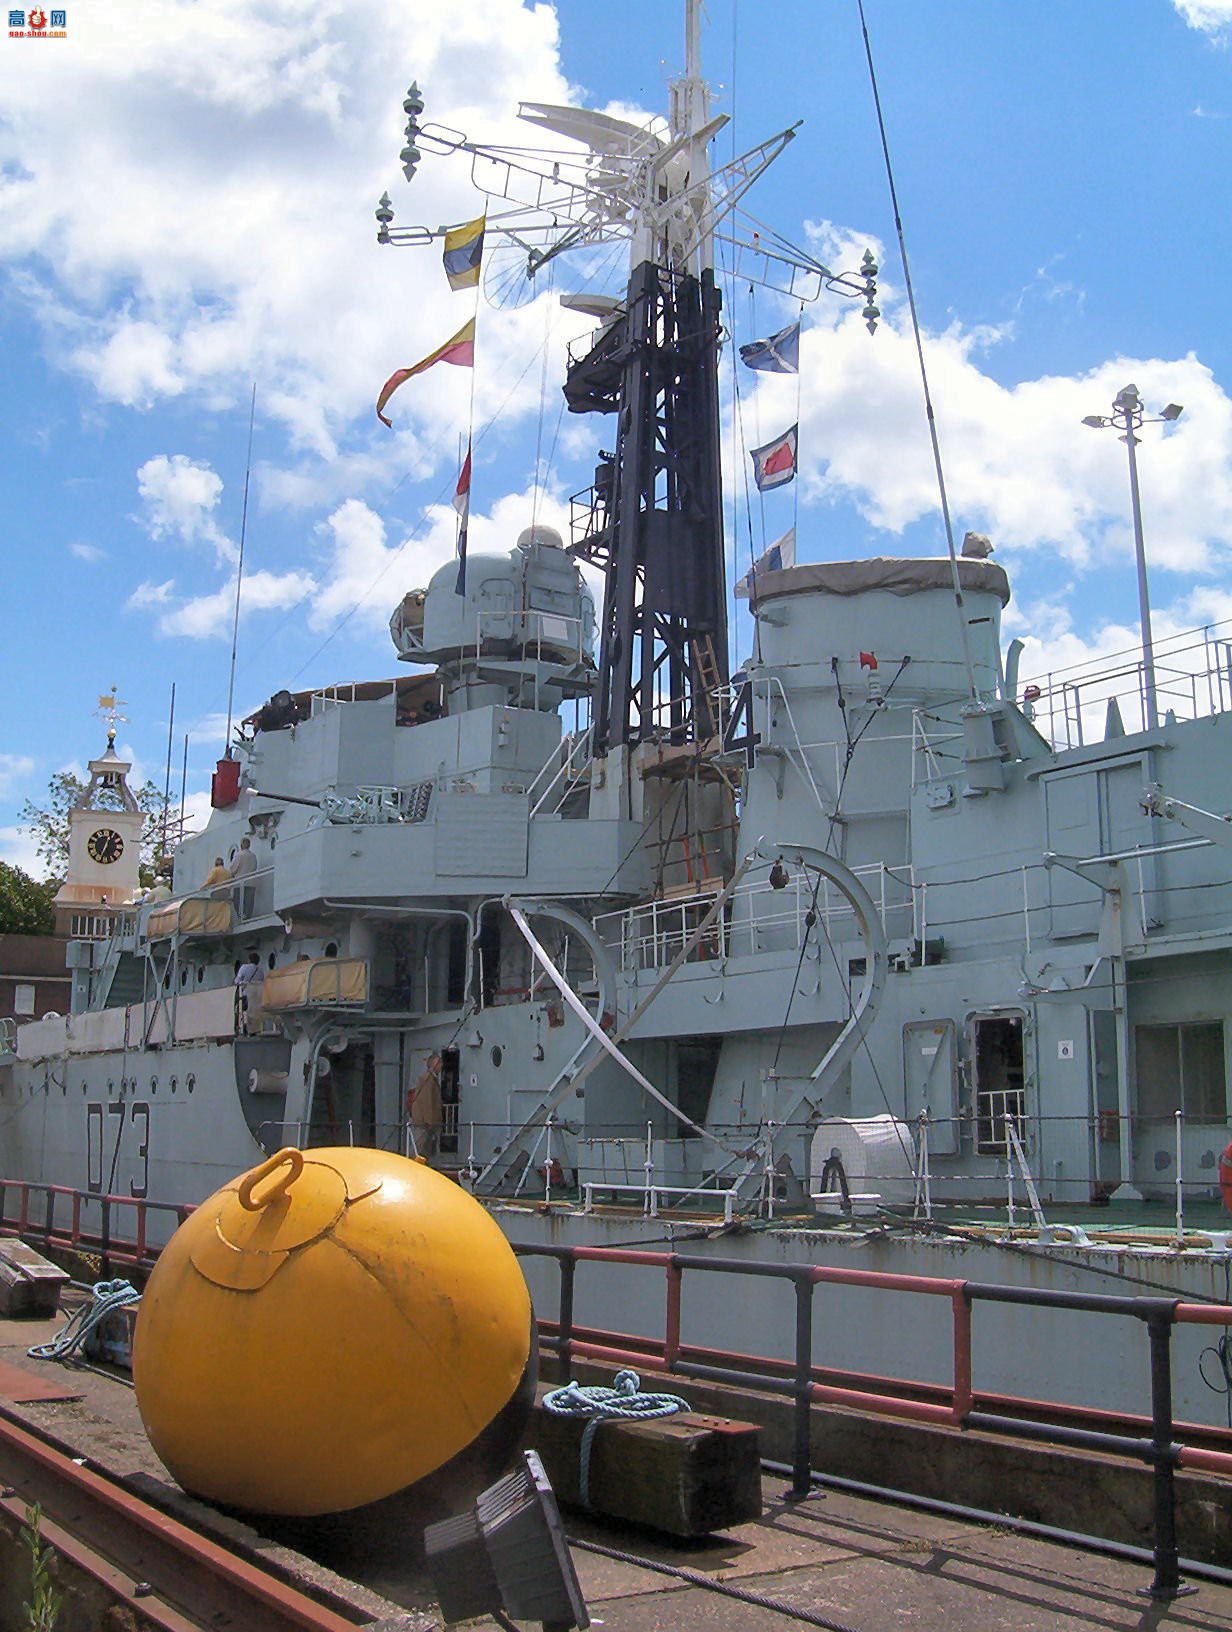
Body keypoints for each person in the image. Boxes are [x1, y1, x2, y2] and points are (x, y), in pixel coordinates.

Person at [233, 950, 261, 1036]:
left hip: (245, 996)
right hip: (257, 997)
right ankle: (254, 1030)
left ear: (249, 960)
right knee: (253, 1014)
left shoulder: (244, 967)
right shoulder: (260, 971)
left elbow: (237, 981)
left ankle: (238, 1029)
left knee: (239, 1011)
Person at [229, 836, 258, 917]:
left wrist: (231, 875)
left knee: (238, 901)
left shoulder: (239, 855)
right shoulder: (253, 856)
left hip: (239, 882)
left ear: (241, 845)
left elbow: (233, 868)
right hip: (251, 882)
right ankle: (248, 916)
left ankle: (241, 916)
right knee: (249, 901)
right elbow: (255, 867)